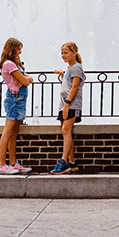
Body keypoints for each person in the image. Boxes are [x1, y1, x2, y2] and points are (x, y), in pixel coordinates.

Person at [0, 37, 33, 174]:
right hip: (14, 99)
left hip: (19, 100)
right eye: (19, 49)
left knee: (14, 133)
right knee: (7, 132)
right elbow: (25, 81)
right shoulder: (9, 64)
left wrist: (27, 79)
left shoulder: (15, 65)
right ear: (13, 49)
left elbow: (29, 78)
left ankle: (13, 163)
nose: (20, 52)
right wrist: (26, 79)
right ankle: (2, 164)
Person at [50, 42, 86, 175]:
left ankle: (63, 161)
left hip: (71, 104)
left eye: (65, 53)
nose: (63, 55)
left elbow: (75, 87)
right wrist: (62, 74)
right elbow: (68, 84)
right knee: (66, 132)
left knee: (66, 130)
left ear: (74, 52)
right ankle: (72, 162)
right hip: (64, 104)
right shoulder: (70, 68)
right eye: (62, 53)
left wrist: (67, 103)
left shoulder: (76, 67)